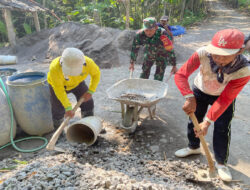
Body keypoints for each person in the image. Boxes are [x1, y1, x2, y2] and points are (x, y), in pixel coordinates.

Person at [174, 29, 250, 182]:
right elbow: (181, 74)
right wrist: (189, 97)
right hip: (200, 90)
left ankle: (221, 163)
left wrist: (208, 122)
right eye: (216, 54)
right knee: (194, 121)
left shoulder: (244, 70)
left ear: (239, 51)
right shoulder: (202, 53)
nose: (219, 59)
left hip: (223, 97)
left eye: (225, 56)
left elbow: (225, 99)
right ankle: (193, 147)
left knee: (222, 128)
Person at [47, 47, 101, 127]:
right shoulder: (54, 68)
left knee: (87, 102)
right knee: (57, 109)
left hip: (78, 83)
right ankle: (58, 130)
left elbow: (96, 74)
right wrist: (68, 108)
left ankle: (89, 126)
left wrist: (91, 91)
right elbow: (59, 90)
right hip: (58, 86)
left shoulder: (88, 63)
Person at [129, 17, 178, 81]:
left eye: (151, 30)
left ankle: (156, 90)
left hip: (162, 55)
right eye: (146, 30)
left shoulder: (163, 34)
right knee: (144, 73)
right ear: (143, 29)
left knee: (159, 76)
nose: (148, 33)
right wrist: (132, 63)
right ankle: (141, 88)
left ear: (156, 28)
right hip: (149, 54)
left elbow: (170, 49)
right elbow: (134, 49)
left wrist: (174, 65)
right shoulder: (140, 35)